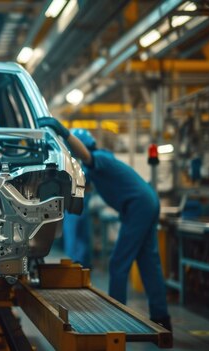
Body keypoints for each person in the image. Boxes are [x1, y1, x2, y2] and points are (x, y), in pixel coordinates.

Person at [38, 118, 172, 331]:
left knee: (118, 264)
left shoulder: (100, 158)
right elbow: (83, 187)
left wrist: (63, 132)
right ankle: (161, 316)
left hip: (139, 206)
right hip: (146, 203)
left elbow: (86, 157)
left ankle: (116, 317)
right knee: (148, 261)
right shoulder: (97, 169)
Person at [62, 190, 92, 268]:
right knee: (72, 237)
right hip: (73, 195)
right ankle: (72, 267)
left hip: (82, 196)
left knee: (81, 238)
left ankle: (80, 267)